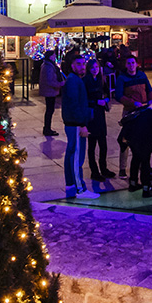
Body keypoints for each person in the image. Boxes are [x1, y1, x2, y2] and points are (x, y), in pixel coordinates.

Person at [61, 55, 97, 199]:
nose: (82, 66)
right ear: (72, 65)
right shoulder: (73, 81)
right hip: (75, 124)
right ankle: (80, 189)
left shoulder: (74, 80)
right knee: (76, 157)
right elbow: (74, 105)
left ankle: (70, 185)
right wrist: (82, 124)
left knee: (71, 153)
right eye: (79, 64)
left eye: (83, 64)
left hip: (73, 123)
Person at [114, 55, 152, 175]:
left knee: (142, 139)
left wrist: (151, 100)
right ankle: (122, 167)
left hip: (143, 111)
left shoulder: (142, 75)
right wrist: (132, 103)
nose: (131, 66)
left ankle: (142, 164)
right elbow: (118, 95)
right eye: (129, 63)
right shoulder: (122, 78)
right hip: (130, 112)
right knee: (125, 140)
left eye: (133, 63)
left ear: (136, 64)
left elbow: (149, 89)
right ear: (126, 65)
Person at [84, 58, 115, 182]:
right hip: (92, 114)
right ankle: (94, 171)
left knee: (103, 144)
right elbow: (84, 98)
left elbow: (108, 93)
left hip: (100, 113)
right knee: (92, 145)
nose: (95, 70)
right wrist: (97, 101)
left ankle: (104, 168)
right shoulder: (86, 81)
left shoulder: (102, 79)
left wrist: (106, 100)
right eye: (92, 68)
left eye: (96, 67)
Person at [38, 49, 64, 137]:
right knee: (49, 110)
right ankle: (47, 129)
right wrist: (59, 84)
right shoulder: (48, 66)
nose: (55, 57)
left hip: (50, 91)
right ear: (50, 56)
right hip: (49, 91)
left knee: (50, 110)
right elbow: (49, 80)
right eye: (53, 56)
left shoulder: (48, 65)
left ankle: (47, 128)